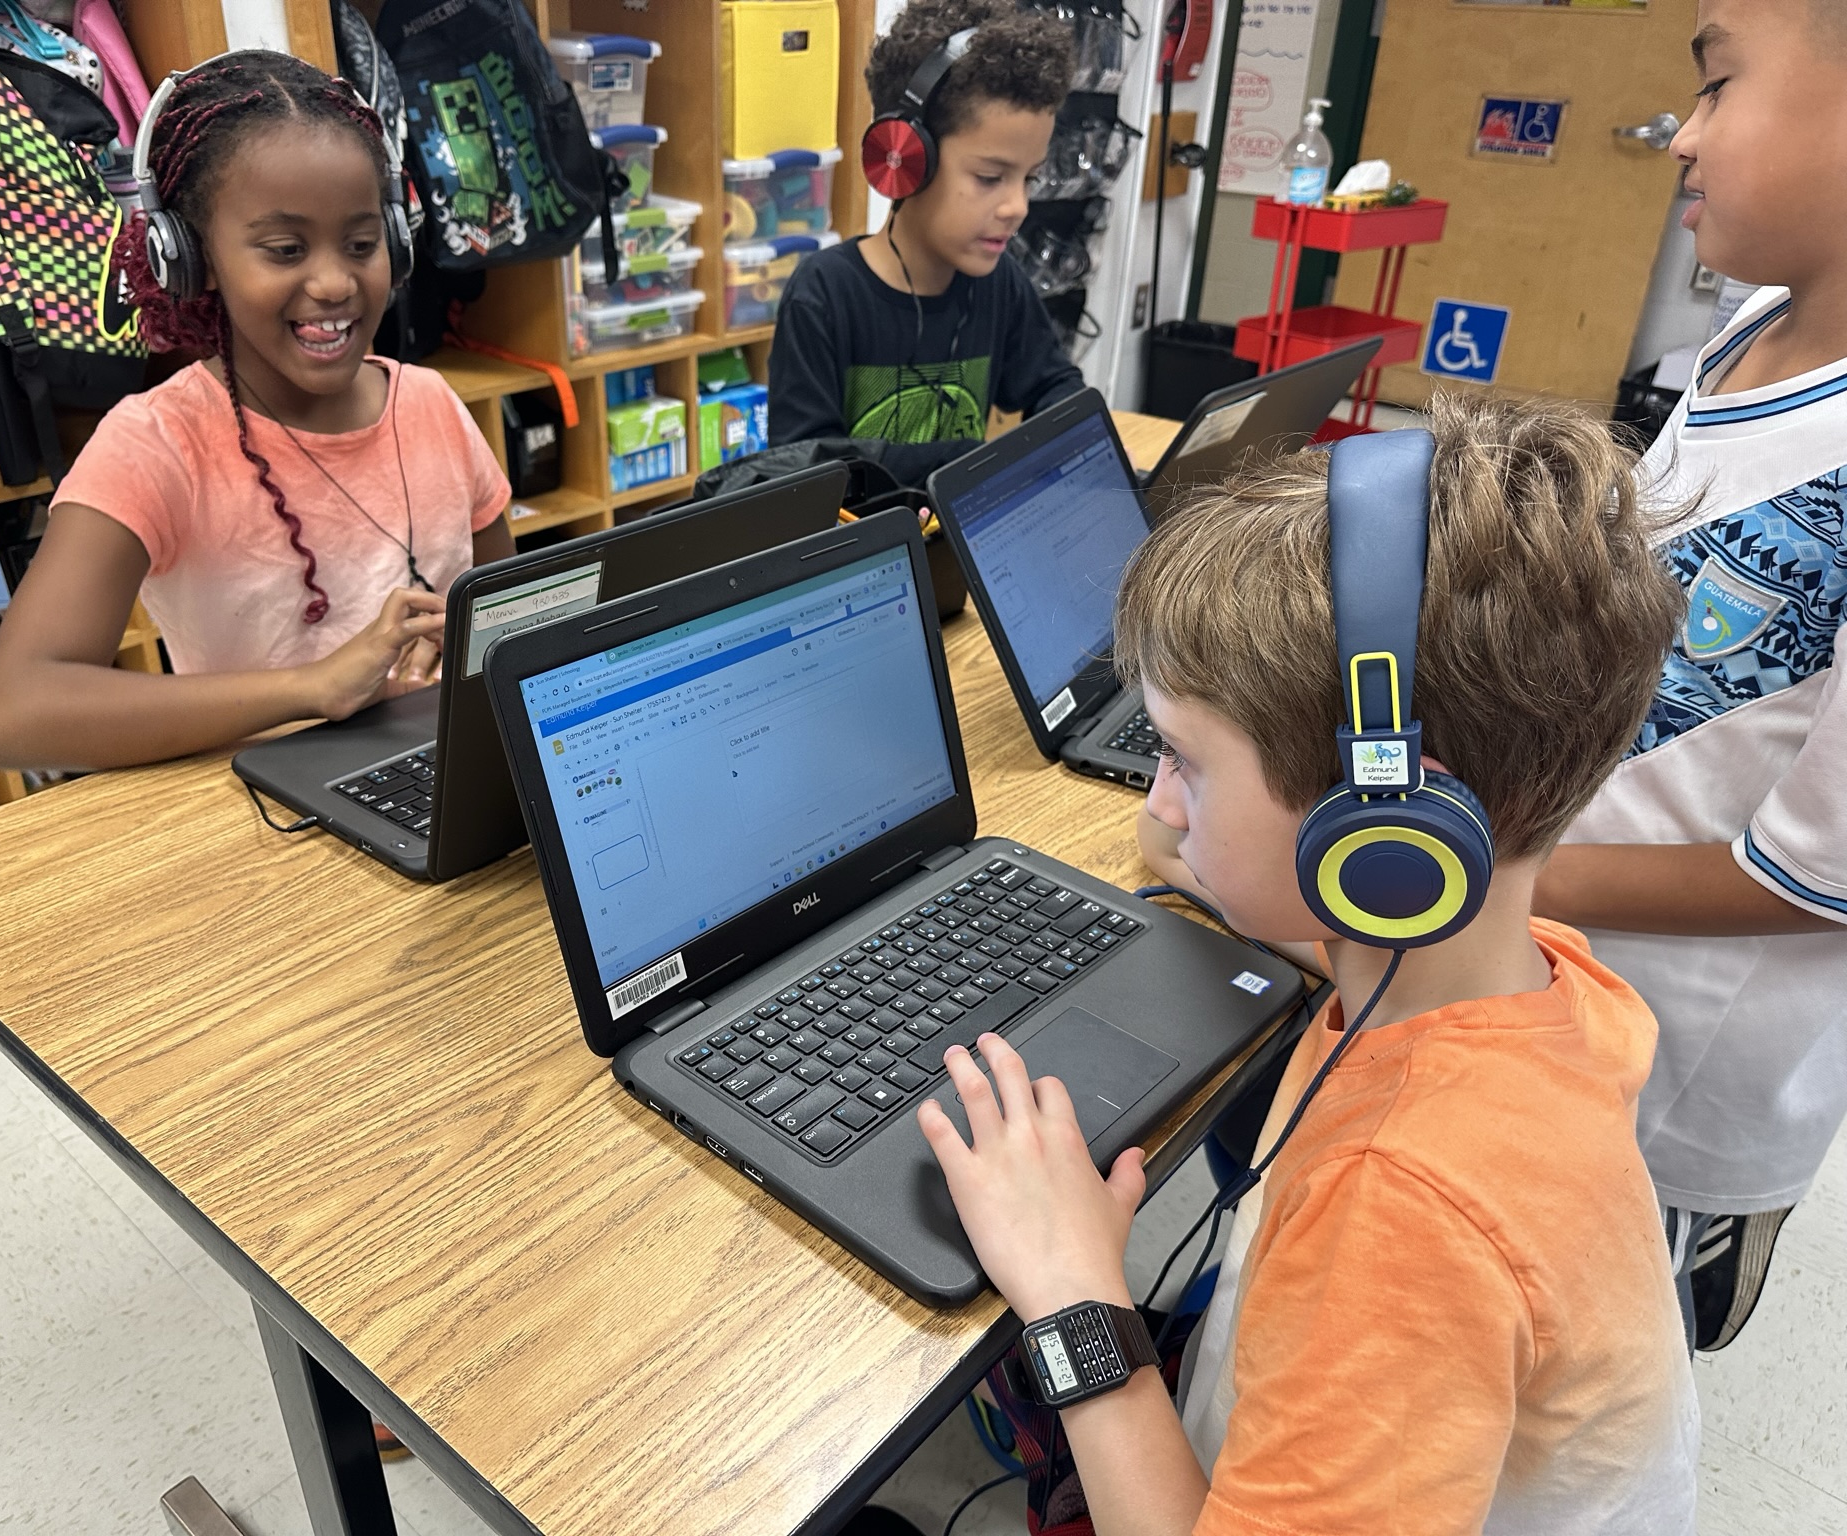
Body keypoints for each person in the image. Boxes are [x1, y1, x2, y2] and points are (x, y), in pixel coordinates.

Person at [922, 394, 1699, 1531]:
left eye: (1181, 761)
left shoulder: (1398, 1216)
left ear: (1380, 827)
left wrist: (1072, 1288)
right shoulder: (1541, 978)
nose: (1156, 802)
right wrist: (1214, 856)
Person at [1531, 0, 1847, 1353]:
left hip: (1675, 1095)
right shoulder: (1748, 334)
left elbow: (1810, 879)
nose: (1683, 136)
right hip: (1557, 968)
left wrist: (1482, 878)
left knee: (1574, 1392)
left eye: (1719, 86)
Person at [0, 50, 514, 773]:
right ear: (191, 258)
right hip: (264, 816)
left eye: (361, 244)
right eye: (285, 250)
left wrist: (468, 642)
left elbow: (506, 617)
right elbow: (16, 715)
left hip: (441, 772)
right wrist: (314, 688)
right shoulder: (155, 445)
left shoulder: (435, 407)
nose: (334, 282)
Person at [765, 0, 1083, 487]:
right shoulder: (825, 293)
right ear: (908, 159)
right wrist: (967, 460)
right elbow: (803, 469)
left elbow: (1057, 387)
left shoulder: (1001, 284)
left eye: (1030, 179)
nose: (1017, 206)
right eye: (990, 177)